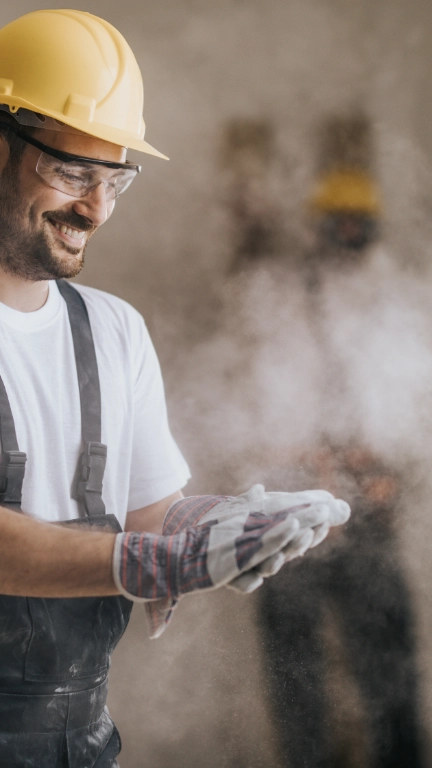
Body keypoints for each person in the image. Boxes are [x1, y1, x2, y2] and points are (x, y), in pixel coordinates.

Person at [0, 10, 351, 768]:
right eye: (71, 172)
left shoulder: (113, 331)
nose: (94, 209)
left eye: (114, 180)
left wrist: (216, 523)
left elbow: (147, 513)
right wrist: (151, 563)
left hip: (83, 743)